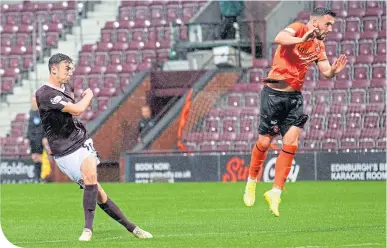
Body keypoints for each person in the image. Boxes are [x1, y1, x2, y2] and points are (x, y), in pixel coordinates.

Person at [35, 53, 153, 241]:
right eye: (67, 68)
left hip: (80, 141)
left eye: (71, 68)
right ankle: (132, 227)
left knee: (91, 175)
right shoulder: (45, 93)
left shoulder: (67, 87)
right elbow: (77, 109)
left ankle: (87, 230)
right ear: (53, 69)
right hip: (63, 151)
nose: (70, 72)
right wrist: (89, 96)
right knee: (98, 193)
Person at [243, 8, 347, 217]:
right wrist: (301, 40)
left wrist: (333, 71)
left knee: (292, 141)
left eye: (332, 26)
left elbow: (325, 70)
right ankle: (251, 181)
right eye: (328, 24)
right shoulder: (298, 28)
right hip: (273, 94)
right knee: (264, 143)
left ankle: (275, 192)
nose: (330, 29)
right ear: (315, 22)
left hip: (294, 98)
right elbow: (279, 37)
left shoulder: (319, 45)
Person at [26, 95, 44, 182]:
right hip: (32, 139)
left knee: (40, 158)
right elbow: (29, 127)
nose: (33, 103)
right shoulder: (31, 112)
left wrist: (44, 137)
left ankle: (41, 176)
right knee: (34, 157)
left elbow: (44, 126)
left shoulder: (41, 112)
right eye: (32, 101)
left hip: (39, 138)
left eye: (34, 101)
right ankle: (37, 177)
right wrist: (27, 137)